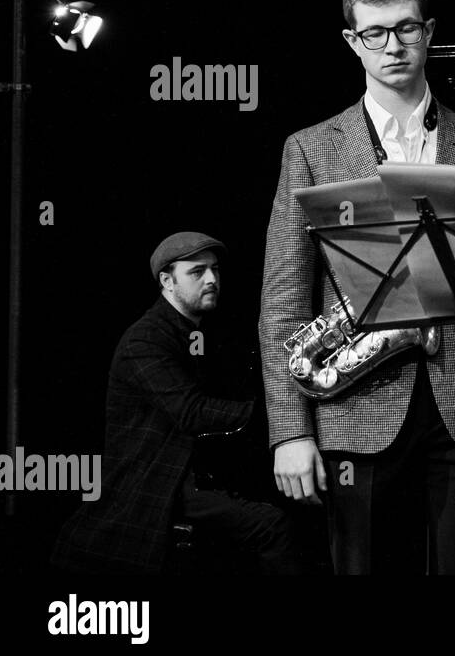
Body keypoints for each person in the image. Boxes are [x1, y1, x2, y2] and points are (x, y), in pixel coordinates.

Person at [259, 0, 455, 574]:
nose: (392, 46)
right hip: (355, 409)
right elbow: (282, 298)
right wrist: (290, 434)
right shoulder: (310, 148)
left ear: (429, 33)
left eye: (406, 29)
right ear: (352, 42)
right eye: (375, 33)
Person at [52, 232, 302, 574]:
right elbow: (191, 412)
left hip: (199, 471)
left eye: (214, 269)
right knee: (272, 526)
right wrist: (280, 416)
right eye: (197, 272)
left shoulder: (198, 332)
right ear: (167, 282)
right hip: (154, 481)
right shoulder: (146, 338)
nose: (212, 279)